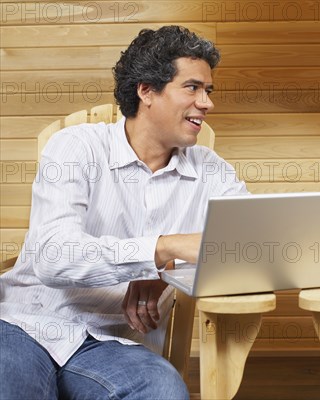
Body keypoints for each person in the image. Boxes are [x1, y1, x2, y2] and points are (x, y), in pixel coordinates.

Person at [0, 26, 247, 399]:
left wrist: (168, 275)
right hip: (25, 325)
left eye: (208, 91)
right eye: (192, 87)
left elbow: (252, 246)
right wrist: (161, 250)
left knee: (164, 390)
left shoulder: (211, 171)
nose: (207, 103)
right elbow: (54, 256)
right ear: (146, 90)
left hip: (112, 343)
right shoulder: (76, 147)